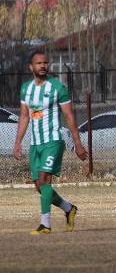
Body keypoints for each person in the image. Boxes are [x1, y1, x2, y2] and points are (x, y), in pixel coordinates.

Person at [12, 50, 88, 235]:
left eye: (45, 63)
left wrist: (77, 143)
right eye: (39, 63)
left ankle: (45, 224)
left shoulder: (57, 87)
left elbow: (69, 116)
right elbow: (24, 116)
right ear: (31, 67)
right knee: (40, 187)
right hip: (35, 145)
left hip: (53, 141)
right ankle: (69, 208)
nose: (43, 66)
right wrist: (17, 142)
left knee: (45, 180)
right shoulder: (26, 89)